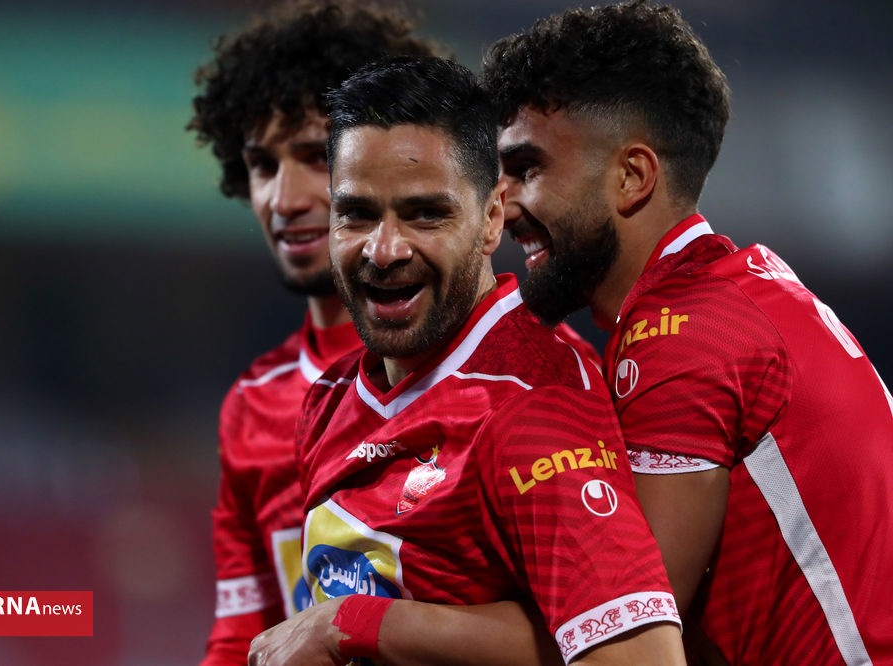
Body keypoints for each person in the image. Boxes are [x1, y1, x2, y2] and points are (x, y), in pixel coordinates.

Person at [482, 1, 893, 663]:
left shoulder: (682, 338)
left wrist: (364, 623)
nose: (502, 206)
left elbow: (622, 639)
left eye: (527, 169)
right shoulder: (741, 289)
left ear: (632, 177)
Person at [249, 55, 685, 666]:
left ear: (491, 217)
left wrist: (356, 623)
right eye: (357, 214)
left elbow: (642, 659)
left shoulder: (531, 407)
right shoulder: (330, 399)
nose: (384, 250)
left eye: (426, 213)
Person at [187, 3, 440, 662]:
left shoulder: (500, 366)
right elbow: (241, 638)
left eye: (314, 156)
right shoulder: (253, 406)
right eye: (262, 165)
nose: (284, 198)